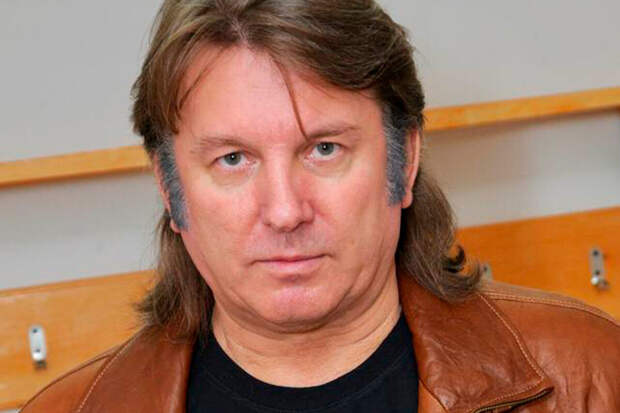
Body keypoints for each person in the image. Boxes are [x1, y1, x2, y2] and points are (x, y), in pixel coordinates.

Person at [21, 1, 619, 412]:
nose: (285, 211)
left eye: (324, 149)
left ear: (404, 160)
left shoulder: (590, 375)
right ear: (169, 187)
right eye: (233, 159)